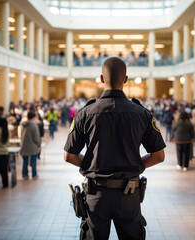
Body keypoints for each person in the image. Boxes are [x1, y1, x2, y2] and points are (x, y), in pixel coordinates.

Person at [64, 57, 165, 240]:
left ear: (101, 79)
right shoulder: (142, 113)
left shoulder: (85, 114)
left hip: (96, 194)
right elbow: (158, 156)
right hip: (129, 194)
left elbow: (69, 156)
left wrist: (91, 164)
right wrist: (134, 165)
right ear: (125, 79)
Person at [20, 111, 41, 180]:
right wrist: (39, 145)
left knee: (25, 161)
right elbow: (36, 137)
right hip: (33, 146)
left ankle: (25, 174)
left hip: (24, 145)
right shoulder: (34, 126)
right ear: (34, 117)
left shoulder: (23, 125)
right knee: (33, 162)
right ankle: (34, 174)